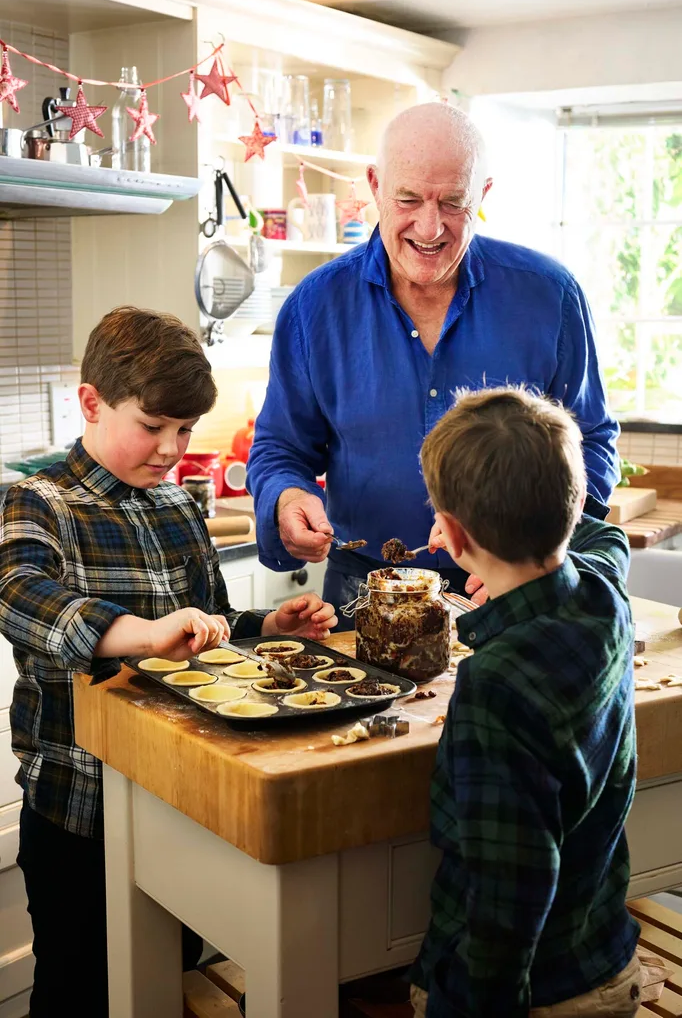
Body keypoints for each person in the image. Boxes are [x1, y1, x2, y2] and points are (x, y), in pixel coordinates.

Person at [0, 307, 337, 1018]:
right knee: (79, 990)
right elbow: (20, 597)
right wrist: (144, 634)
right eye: (153, 426)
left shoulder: (179, 504)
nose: (171, 447)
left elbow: (204, 628)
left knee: (165, 978)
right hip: (78, 812)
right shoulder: (40, 501)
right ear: (91, 402)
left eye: (183, 430)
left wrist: (268, 624)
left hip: (178, 804)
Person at [247, 102, 619, 627]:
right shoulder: (314, 308)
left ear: (483, 195)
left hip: (513, 593)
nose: (429, 225)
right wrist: (286, 499)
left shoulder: (550, 296)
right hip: (366, 595)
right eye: (408, 198)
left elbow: (593, 444)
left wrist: (533, 554)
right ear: (375, 185)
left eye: (452, 202)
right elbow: (281, 448)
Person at [410, 386, 640, 1018]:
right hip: (608, 964)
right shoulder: (602, 598)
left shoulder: (495, 684)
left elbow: (509, 902)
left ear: (452, 535)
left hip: (531, 998)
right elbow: (601, 541)